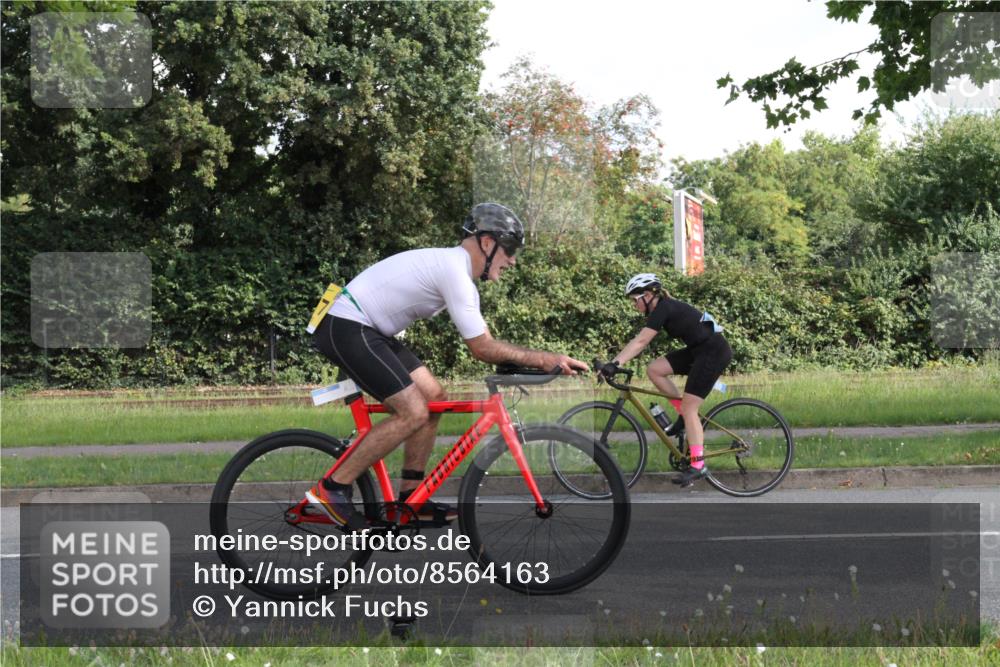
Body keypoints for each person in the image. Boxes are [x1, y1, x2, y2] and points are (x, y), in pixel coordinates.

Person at [307, 203, 589, 529]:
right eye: (509, 249)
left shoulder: (452, 268)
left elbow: (487, 340)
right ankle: (332, 489)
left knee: (433, 396)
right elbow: (482, 348)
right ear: (486, 242)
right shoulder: (454, 272)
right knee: (413, 410)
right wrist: (545, 359)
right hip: (348, 325)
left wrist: (528, 364)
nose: (512, 260)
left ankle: (412, 500)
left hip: (369, 329)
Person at [598, 273, 732, 487]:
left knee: (691, 409)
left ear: (649, 295)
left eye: (635, 299)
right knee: (655, 369)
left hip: (713, 352)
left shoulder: (664, 308)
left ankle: (698, 465)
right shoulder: (663, 308)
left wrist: (615, 364)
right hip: (699, 350)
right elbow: (639, 341)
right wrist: (614, 362)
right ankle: (683, 415)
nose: (634, 305)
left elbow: (641, 341)